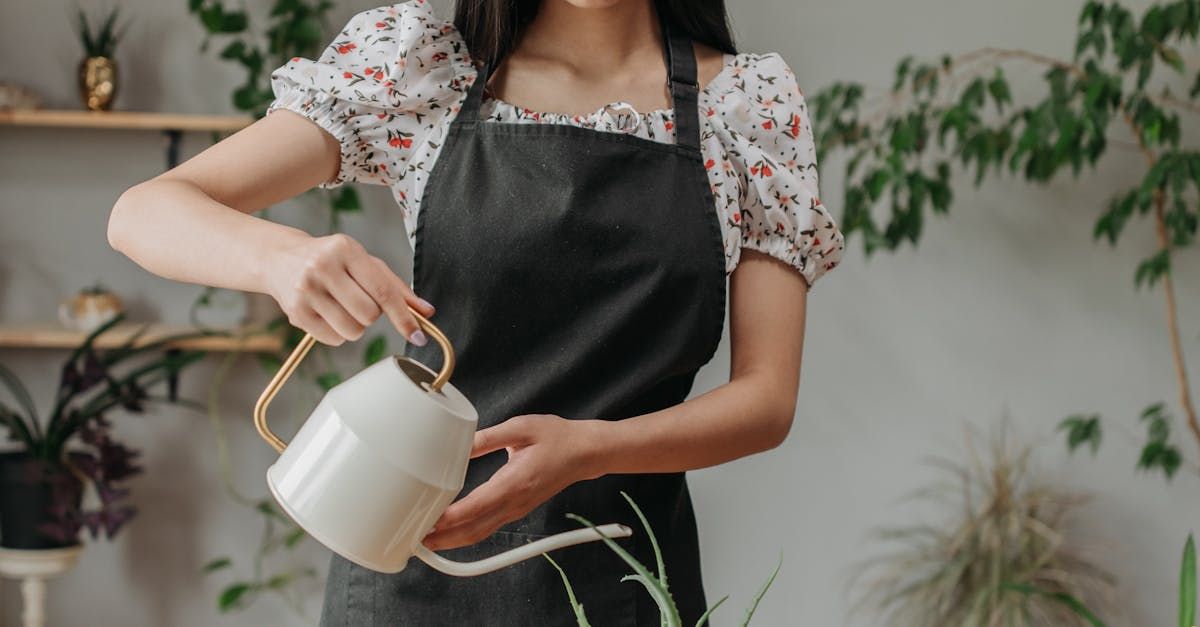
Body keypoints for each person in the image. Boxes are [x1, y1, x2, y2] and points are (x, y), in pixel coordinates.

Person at [107, 0, 844, 624]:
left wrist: (588, 449)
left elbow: (765, 400)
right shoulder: (424, 68)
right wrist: (280, 258)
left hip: (625, 581)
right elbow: (144, 212)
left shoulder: (748, 108)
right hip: (412, 567)